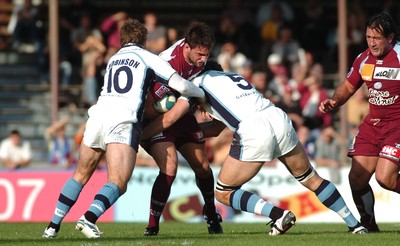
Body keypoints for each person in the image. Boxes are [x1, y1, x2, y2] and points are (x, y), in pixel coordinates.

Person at [142, 62, 368, 235]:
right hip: (277, 117)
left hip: (254, 129)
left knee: (223, 192)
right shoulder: (233, 77)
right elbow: (216, 128)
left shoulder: (198, 84)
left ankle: (278, 215)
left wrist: (141, 137)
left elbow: (171, 118)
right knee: (311, 179)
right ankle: (355, 225)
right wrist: (194, 133)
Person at [42, 18, 205, 239]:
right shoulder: (148, 57)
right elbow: (182, 85)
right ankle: (88, 218)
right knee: (118, 182)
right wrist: (201, 94)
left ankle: (52, 227)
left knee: (79, 175)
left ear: (122, 40)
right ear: (144, 40)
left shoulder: (113, 58)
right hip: (122, 121)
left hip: (98, 116)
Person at [319, 12, 400, 232]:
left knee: (386, 178)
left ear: (390, 37)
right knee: (356, 178)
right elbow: (347, 86)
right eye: (368, 37)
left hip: (397, 126)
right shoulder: (364, 58)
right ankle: (369, 226)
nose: (372, 43)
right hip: (373, 125)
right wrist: (334, 102)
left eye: (377, 38)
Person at [141, 21, 223, 236]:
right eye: (199, 54)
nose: (203, 60)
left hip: (183, 115)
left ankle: (211, 212)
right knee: (170, 167)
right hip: (158, 120)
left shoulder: (203, 63)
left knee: (203, 168)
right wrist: (139, 136)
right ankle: (152, 226)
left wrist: (201, 103)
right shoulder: (166, 66)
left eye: (207, 54)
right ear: (186, 47)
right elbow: (150, 109)